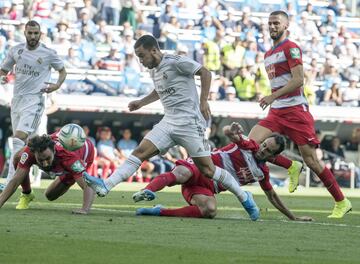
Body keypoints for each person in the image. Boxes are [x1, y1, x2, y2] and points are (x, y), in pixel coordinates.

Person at [84, 34, 258, 217]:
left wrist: (204, 101)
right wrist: (142, 102)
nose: (141, 61)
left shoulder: (176, 62)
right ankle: (106, 185)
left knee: (207, 170)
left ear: (154, 50)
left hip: (190, 123)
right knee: (140, 152)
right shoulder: (153, 69)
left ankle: (243, 196)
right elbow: (160, 90)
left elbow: (205, 72)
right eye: (138, 57)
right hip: (169, 121)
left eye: (142, 55)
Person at [247, 11, 351, 218]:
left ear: (286, 26)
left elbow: (298, 80)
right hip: (276, 112)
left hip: (296, 112)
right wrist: (273, 101)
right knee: (250, 144)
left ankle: (341, 201)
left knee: (312, 160)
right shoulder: (268, 55)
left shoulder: (291, 48)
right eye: (269, 23)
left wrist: (272, 96)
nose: (272, 26)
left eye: (276, 23)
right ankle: (291, 166)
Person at [133, 122, 312, 222]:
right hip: (201, 166)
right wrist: (231, 129)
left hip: (206, 187)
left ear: (274, 155)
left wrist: (293, 217)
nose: (262, 150)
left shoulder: (261, 172)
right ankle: (148, 190)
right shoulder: (250, 145)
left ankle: (160, 211)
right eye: (264, 145)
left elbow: (272, 196)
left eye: (268, 150)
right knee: (181, 174)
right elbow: (229, 133)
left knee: (210, 211)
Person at [0, 20, 67, 193]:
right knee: (26, 143)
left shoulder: (48, 53)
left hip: (35, 100)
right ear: (25, 32)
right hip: (17, 100)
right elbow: (3, 70)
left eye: (36, 33)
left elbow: (62, 71)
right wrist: (2, 77)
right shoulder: (16, 50)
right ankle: (27, 181)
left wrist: (57, 85)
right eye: (30, 33)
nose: (33, 36)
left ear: (40, 34)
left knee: (18, 138)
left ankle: (10, 180)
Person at [0, 132, 95, 214]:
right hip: (56, 151)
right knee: (18, 158)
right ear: (34, 153)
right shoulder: (30, 152)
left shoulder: (69, 158)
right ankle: (27, 193)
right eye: (40, 160)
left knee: (50, 195)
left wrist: (84, 209)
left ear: (54, 151)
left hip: (86, 152)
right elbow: (15, 181)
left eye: (47, 158)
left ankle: (69, 176)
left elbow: (88, 185)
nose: (45, 164)